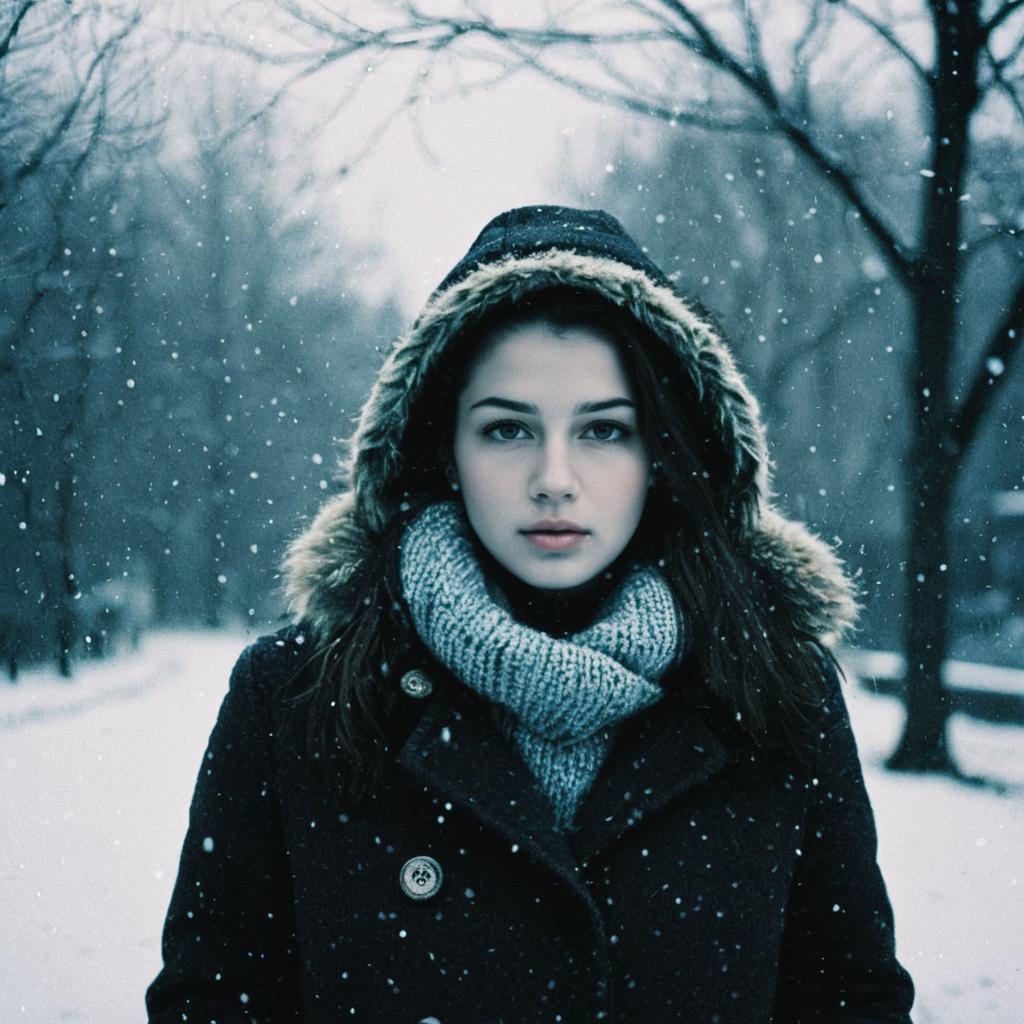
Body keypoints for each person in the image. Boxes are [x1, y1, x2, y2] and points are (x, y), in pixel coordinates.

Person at [146, 205, 915, 1023]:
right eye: (508, 428)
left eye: (604, 431)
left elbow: (848, 999)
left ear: (662, 453)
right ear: (443, 445)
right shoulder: (299, 695)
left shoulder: (775, 693)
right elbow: (214, 1002)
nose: (555, 477)